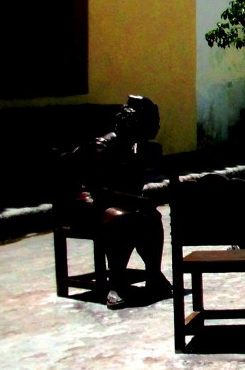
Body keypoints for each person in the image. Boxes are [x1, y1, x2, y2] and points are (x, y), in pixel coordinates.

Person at [57, 95, 173, 309]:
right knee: (123, 219)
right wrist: (137, 200)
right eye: (150, 123)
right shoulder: (103, 146)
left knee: (151, 216)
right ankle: (116, 284)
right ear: (133, 123)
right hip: (86, 206)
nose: (155, 128)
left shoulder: (135, 149)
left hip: (113, 202)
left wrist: (140, 201)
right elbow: (101, 190)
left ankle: (153, 275)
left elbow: (132, 185)